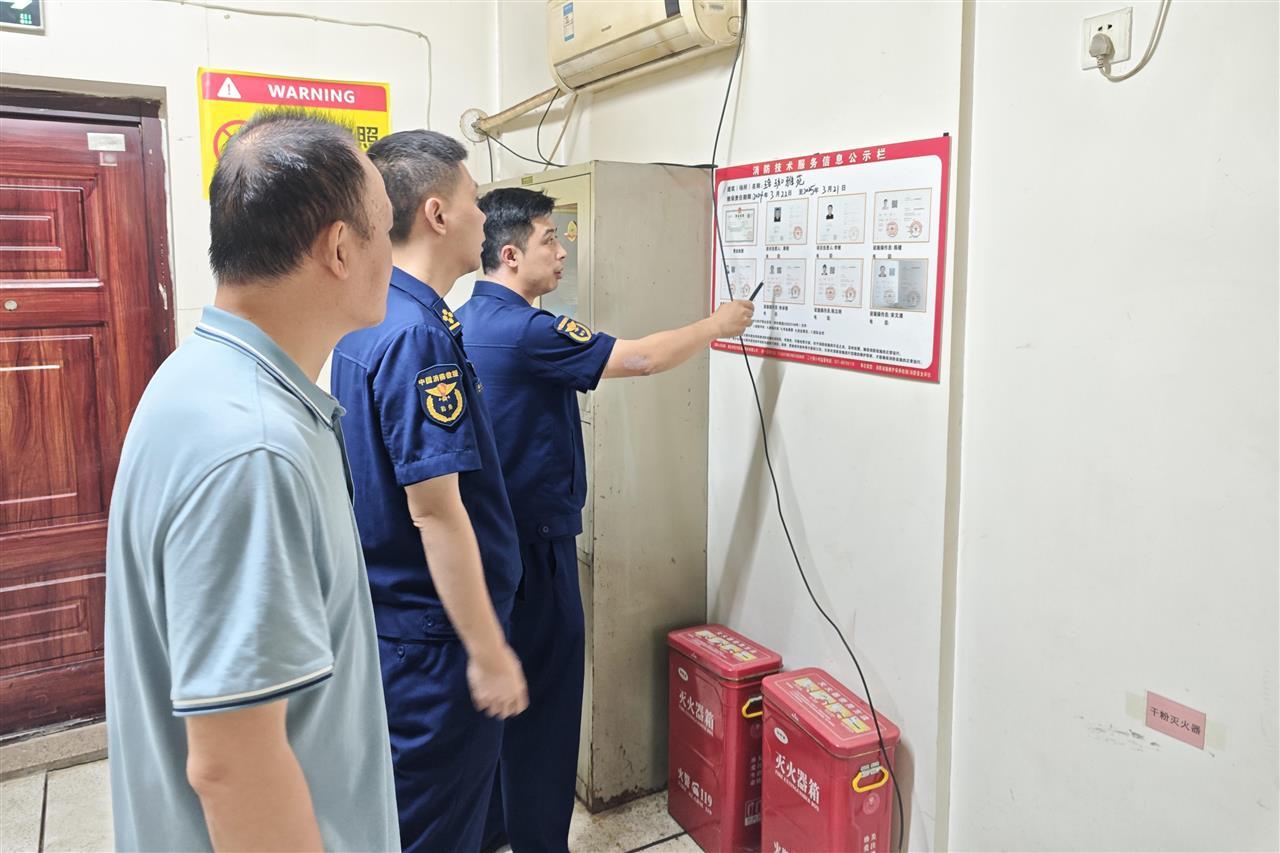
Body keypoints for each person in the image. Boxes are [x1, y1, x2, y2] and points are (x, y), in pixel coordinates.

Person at [104, 109, 399, 852]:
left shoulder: (201, 375)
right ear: (340, 247)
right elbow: (234, 769)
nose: (393, 257)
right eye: (387, 232)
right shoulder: (255, 449)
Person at [457, 187, 754, 852]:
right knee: (546, 708)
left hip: (491, 545)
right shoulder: (530, 331)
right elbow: (642, 358)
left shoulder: (464, 320)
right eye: (549, 239)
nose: (563, 252)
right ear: (510, 254)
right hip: (538, 549)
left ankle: (497, 829)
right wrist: (718, 323)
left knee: (501, 702)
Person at [331, 130, 528, 853]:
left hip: (403, 626)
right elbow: (436, 510)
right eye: (475, 200)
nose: (484, 217)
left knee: (420, 815)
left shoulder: (375, 313)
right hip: (435, 641)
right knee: (433, 827)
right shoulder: (416, 334)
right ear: (438, 214)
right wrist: (487, 650)